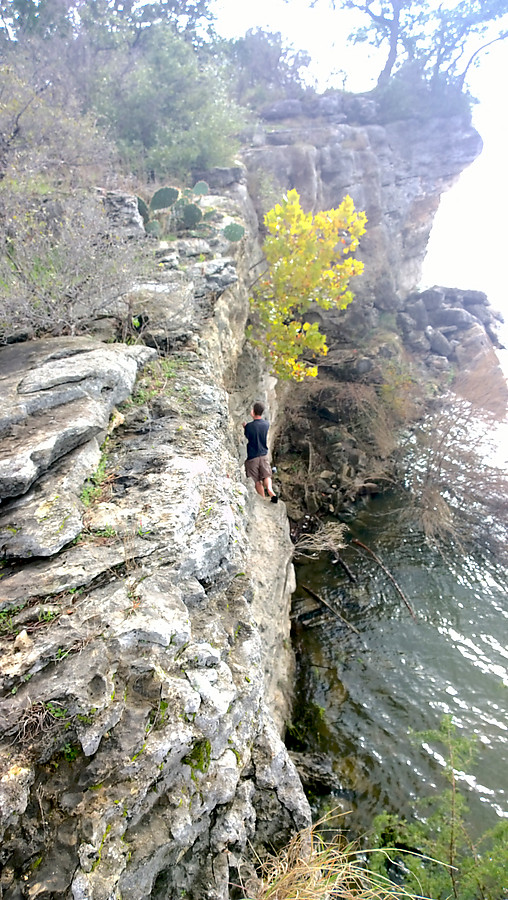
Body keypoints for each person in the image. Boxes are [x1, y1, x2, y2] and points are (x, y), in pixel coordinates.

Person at [242, 401, 278, 502]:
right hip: (263, 454)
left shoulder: (249, 426)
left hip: (252, 456)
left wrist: (245, 427)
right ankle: (270, 490)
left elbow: (248, 435)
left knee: (257, 481)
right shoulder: (266, 424)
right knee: (266, 475)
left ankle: (262, 498)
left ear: (253, 411)